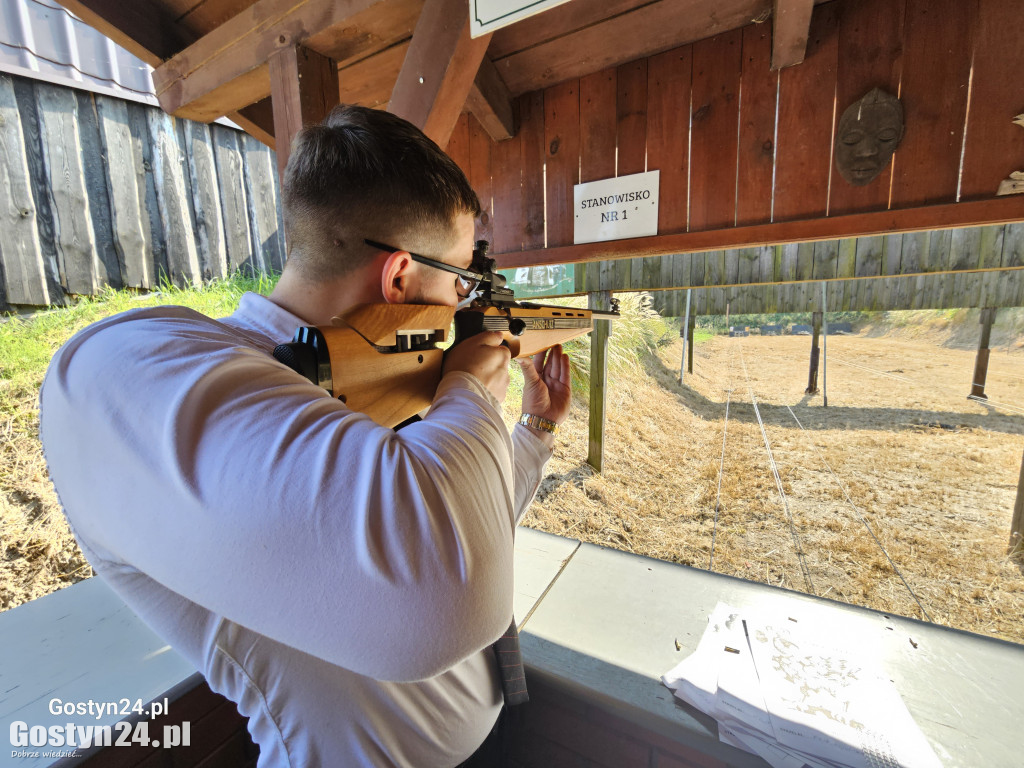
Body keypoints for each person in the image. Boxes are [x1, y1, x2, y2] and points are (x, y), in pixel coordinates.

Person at [39, 104, 571, 766]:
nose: (464, 303)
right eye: (460, 278)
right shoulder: (141, 367)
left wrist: (533, 430)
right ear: (400, 276)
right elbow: (446, 594)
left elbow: (470, 529)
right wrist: (467, 388)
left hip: (492, 733)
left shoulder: (391, 378)